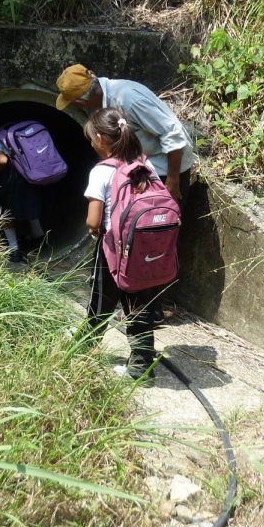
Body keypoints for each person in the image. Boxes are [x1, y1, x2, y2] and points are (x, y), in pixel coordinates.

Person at [56, 63, 193, 324]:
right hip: (143, 167)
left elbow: (173, 134)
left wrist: (173, 182)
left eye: (77, 103)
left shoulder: (127, 98)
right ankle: (139, 305)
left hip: (162, 171)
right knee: (134, 236)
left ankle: (150, 308)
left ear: (87, 98)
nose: (80, 108)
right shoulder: (104, 103)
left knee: (153, 237)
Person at [80, 107, 169, 381]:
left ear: (100, 139)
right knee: (138, 308)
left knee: (100, 305)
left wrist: (96, 232)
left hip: (112, 249)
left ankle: (81, 351)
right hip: (145, 250)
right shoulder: (145, 163)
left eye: (91, 139)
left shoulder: (101, 171)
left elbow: (93, 221)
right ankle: (141, 367)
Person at [0, 123, 45, 263]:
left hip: (8, 178)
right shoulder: (11, 133)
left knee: (6, 213)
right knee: (28, 203)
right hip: (26, 173)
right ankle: (39, 238)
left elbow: (2, 160)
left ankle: (14, 250)